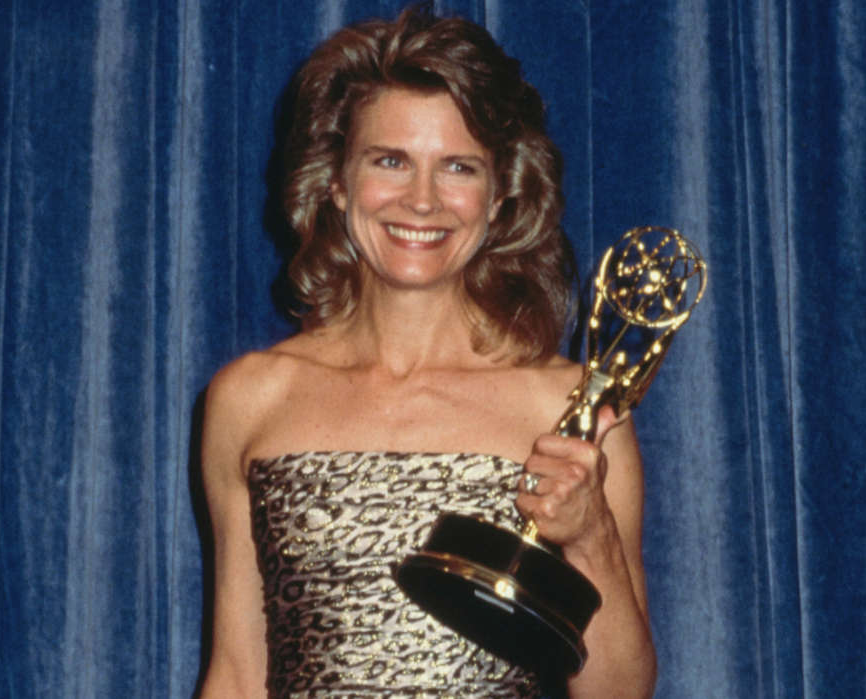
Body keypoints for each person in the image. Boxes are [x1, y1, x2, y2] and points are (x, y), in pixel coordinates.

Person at [199, 6, 656, 698]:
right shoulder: (249, 399)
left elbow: (619, 693)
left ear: (500, 193)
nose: (422, 200)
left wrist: (590, 535)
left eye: (458, 168)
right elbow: (236, 675)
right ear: (336, 179)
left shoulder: (573, 410)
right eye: (390, 160)